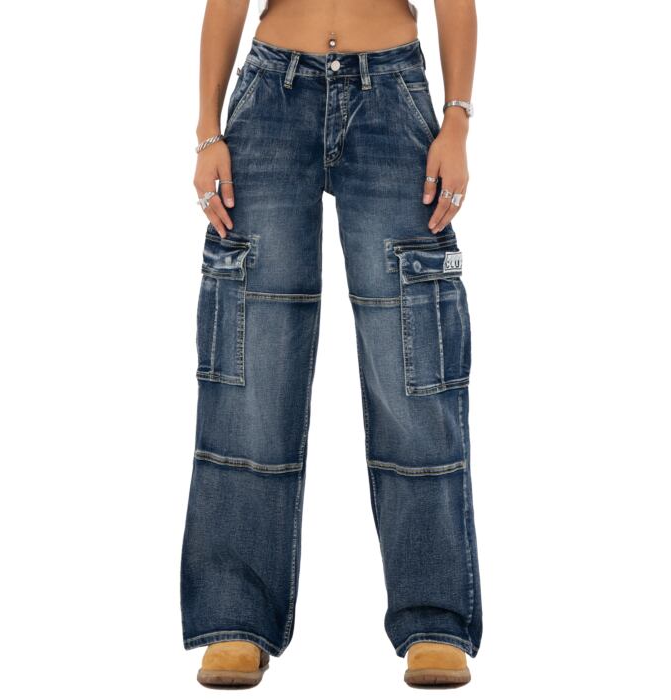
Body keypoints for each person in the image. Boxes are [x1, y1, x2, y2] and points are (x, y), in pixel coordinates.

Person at [181, 0, 482, 688]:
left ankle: (434, 620)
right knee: (252, 364)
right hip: (270, 95)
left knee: (413, 365)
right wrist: (207, 131)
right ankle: (236, 617)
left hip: (392, 93)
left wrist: (457, 120)